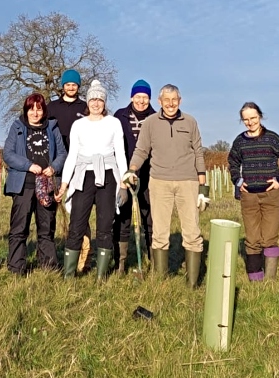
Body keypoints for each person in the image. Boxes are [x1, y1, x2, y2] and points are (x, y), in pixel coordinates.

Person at [124, 84, 208, 288]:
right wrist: (132, 169)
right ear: (159, 102)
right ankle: (160, 281)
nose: (170, 104)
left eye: (174, 100)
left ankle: (192, 283)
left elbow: (198, 152)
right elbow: (142, 149)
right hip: (159, 181)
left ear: (180, 101)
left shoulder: (190, 122)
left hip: (187, 182)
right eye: (166, 100)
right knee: (160, 232)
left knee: (192, 232)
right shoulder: (151, 123)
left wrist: (202, 187)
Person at [55, 80, 129, 280]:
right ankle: (69, 274)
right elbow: (72, 156)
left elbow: (120, 154)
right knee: (77, 224)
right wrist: (64, 183)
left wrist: (123, 182)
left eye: (100, 99)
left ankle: (101, 276)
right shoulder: (78, 125)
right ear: (87, 102)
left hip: (107, 175)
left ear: (104, 102)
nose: (96, 103)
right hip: (83, 176)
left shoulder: (113, 123)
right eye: (93, 99)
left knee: (105, 225)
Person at [228, 102, 279, 281]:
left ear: (260, 117)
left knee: (269, 238)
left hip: (271, 196)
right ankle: (255, 279)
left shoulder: (272, 139)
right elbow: (232, 163)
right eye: (246, 119)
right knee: (252, 239)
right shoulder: (239, 141)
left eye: (253, 118)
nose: (250, 122)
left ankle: (270, 280)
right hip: (248, 196)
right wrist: (238, 180)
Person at [3, 93, 67, 275]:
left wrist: (54, 167)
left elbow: (62, 153)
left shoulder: (52, 128)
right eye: (32, 109)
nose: (35, 113)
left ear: (44, 111)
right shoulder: (17, 127)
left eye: (39, 109)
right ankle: (16, 267)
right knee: (19, 228)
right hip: (23, 186)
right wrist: (28, 165)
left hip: (47, 186)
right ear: (26, 110)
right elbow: (8, 154)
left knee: (46, 228)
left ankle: (49, 266)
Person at [48, 69, 93, 273]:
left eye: (74, 84)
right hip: (56, 165)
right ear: (62, 86)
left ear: (78, 86)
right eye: (68, 84)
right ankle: (51, 256)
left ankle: (85, 256)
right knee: (51, 212)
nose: (71, 87)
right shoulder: (52, 107)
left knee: (78, 209)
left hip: (79, 165)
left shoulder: (85, 107)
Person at [112, 79, 156, 274]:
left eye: (145, 97)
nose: (141, 101)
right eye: (138, 97)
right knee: (123, 217)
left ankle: (153, 260)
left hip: (149, 174)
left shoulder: (156, 118)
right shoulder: (119, 117)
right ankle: (120, 262)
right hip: (125, 174)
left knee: (150, 219)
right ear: (131, 97)